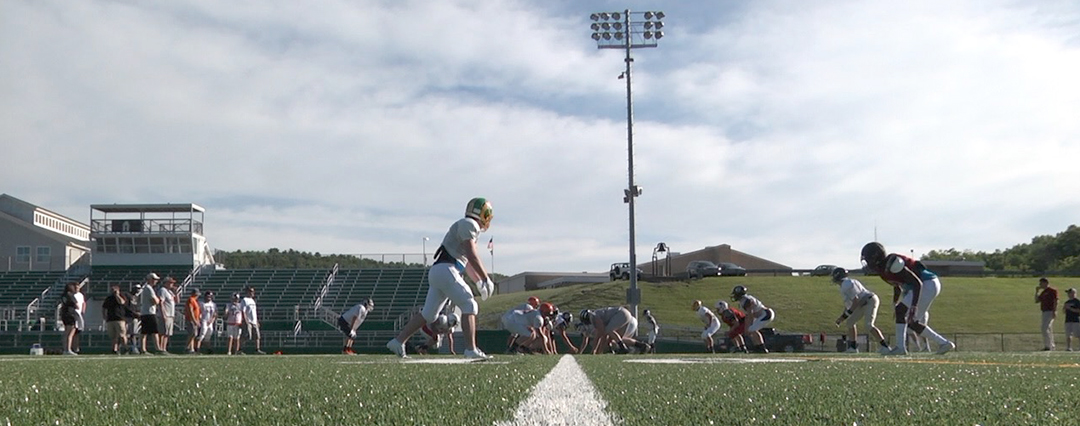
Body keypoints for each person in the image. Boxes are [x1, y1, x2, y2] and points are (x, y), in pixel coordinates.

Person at [386, 197, 495, 360]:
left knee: (429, 314)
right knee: (469, 304)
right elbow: (472, 255)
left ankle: (398, 341)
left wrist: (479, 281)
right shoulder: (469, 224)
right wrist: (486, 278)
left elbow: (467, 264)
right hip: (447, 269)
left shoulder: (466, 226)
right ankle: (471, 349)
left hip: (440, 270)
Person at [861, 242, 955, 355]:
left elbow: (917, 283)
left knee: (904, 314)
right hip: (925, 285)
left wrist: (914, 306)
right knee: (911, 322)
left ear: (875, 257)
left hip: (927, 283)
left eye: (868, 259)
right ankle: (944, 343)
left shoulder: (893, 263)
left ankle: (900, 348)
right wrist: (895, 303)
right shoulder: (883, 269)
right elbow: (897, 286)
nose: (867, 263)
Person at [831, 267, 891, 354]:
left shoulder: (846, 284)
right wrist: (841, 318)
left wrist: (844, 316)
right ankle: (853, 347)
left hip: (869, 301)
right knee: (850, 322)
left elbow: (855, 301)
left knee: (869, 325)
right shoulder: (847, 284)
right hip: (862, 303)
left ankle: (885, 346)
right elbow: (850, 306)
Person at [579, 306, 651, 354]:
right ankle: (640, 346)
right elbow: (602, 335)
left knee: (608, 331)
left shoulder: (594, 316)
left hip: (622, 314)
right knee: (613, 336)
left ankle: (622, 348)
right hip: (624, 315)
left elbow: (601, 334)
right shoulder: (595, 316)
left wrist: (595, 350)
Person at [731, 285, 775, 353]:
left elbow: (750, 314)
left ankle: (762, 348)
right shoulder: (744, 300)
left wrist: (749, 325)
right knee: (751, 330)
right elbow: (749, 315)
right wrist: (747, 327)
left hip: (766, 314)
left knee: (751, 329)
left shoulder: (746, 300)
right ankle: (758, 346)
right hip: (762, 314)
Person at [102, 283, 129, 355]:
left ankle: (125, 348)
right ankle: (114, 349)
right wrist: (104, 316)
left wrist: (117, 295)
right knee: (113, 336)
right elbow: (104, 307)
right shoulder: (109, 298)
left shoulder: (122, 296)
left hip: (119, 319)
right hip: (110, 319)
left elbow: (122, 302)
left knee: (122, 335)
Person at [139, 273, 162, 354]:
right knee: (154, 331)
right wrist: (158, 300)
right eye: (154, 279)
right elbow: (155, 301)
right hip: (149, 312)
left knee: (144, 332)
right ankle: (157, 348)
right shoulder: (149, 288)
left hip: (145, 312)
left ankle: (143, 349)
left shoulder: (146, 288)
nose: (156, 281)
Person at [240, 286, 265, 354]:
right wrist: (246, 321)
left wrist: (256, 321)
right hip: (248, 321)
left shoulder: (252, 300)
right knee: (246, 336)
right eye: (251, 291)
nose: (253, 293)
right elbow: (243, 311)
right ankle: (240, 349)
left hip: (254, 321)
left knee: (257, 336)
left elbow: (254, 312)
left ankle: (257, 349)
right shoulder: (244, 300)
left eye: (253, 291)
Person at [1035, 277, 1058, 351]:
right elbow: (1037, 300)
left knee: (1044, 328)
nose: (1040, 285)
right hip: (1044, 311)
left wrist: (1054, 310)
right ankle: (1051, 345)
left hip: (1050, 311)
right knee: (1048, 328)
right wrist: (1037, 292)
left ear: (1045, 283)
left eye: (1041, 283)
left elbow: (1055, 300)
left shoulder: (1052, 291)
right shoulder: (1043, 292)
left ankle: (1048, 345)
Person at [157, 277, 178, 354]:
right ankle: (160, 348)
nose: (172, 284)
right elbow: (161, 302)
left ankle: (164, 348)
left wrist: (176, 293)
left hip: (171, 315)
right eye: (170, 283)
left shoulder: (170, 292)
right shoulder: (163, 290)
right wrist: (164, 314)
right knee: (163, 333)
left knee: (167, 333)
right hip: (166, 314)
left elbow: (177, 301)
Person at [59, 282, 79, 355]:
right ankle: (68, 349)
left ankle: (65, 349)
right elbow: (77, 305)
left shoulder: (63, 295)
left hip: (64, 314)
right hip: (70, 314)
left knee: (66, 333)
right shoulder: (70, 295)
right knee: (70, 333)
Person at [184, 288, 202, 354]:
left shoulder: (195, 300)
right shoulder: (191, 300)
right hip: (191, 319)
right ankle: (187, 347)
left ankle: (191, 349)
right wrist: (194, 320)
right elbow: (190, 310)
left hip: (195, 319)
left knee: (193, 334)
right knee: (193, 333)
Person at [72, 281, 86, 354]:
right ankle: (71, 347)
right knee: (72, 331)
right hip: (73, 314)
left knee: (77, 332)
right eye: (75, 288)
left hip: (79, 315)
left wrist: (83, 310)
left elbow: (83, 303)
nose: (77, 289)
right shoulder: (71, 295)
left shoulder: (80, 295)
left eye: (78, 287)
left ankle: (76, 347)